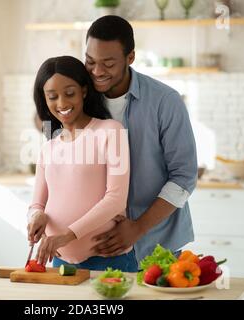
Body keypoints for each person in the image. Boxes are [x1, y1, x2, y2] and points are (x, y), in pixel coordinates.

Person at [84, 15, 198, 263]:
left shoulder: (165, 101)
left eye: (108, 63)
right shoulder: (82, 100)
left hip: (157, 245)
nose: (97, 72)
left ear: (130, 57)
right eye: (90, 61)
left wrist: (137, 228)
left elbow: (183, 177)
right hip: (97, 249)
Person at [26, 55, 138, 272]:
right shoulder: (48, 148)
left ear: (84, 91)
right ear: (44, 100)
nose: (62, 103)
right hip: (59, 262)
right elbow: (36, 205)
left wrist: (66, 236)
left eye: (69, 93)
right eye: (52, 96)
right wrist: (36, 217)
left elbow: (115, 199)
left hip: (108, 261)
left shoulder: (110, 131)